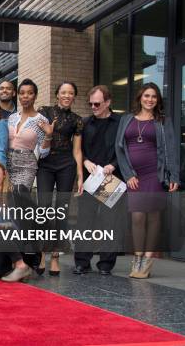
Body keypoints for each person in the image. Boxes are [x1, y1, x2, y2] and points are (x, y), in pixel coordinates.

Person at [115, 82, 179, 279]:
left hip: (154, 173)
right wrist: (128, 175)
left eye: (153, 96)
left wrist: (174, 176)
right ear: (140, 98)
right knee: (137, 216)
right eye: (146, 96)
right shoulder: (126, 119)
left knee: (152, 217)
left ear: (157, 100)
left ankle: (148, 258)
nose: (150, 99)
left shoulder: (162, 121)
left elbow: (172, 149)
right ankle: (138, 256)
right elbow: (119, 148)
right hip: (134, 176)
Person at [36, 82, 84, 276]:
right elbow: (37, 138)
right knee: (44, 209)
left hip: (66, 165)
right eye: (63, 92)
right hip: (45, 164)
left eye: (70, 93)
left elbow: (77, 150)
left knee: (61, 212)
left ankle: (55, 256)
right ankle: (40, 255)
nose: (67, 95)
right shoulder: (44, 111)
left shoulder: (77, 119)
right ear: (57, 94)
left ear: (74, 97)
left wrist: (80, 175)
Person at [73, 85, 122, 276]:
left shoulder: (120, 123)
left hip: (110, 178)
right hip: (90, 179)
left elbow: (125, 149)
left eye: (97, 103)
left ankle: (106, 265)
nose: (93, 106)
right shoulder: (84, 123)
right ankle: (82, 263)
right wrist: (84, 162)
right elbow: (77, 149)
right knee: (85, 221)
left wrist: (114, 165)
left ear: (108, 102)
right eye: (91, 103)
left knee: (110, 222)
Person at [7, 78, 53, 272]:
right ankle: (17, 256)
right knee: (10, 210)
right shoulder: (11, 118)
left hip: (27, 165)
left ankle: (32, 253)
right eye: (22, 92)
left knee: (22, 208)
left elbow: (43, 153)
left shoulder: (41, 121)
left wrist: (49, 135)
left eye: (29, 93)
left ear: (35, 95)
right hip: (7, 165)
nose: (25, 96)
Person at [0, 160, 33, 282]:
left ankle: (21, 265)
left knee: (0, 230)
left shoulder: (15, 193)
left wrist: (10, 225)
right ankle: (12, 264)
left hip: (15, 239)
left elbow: (27, 222)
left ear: (4, 174)